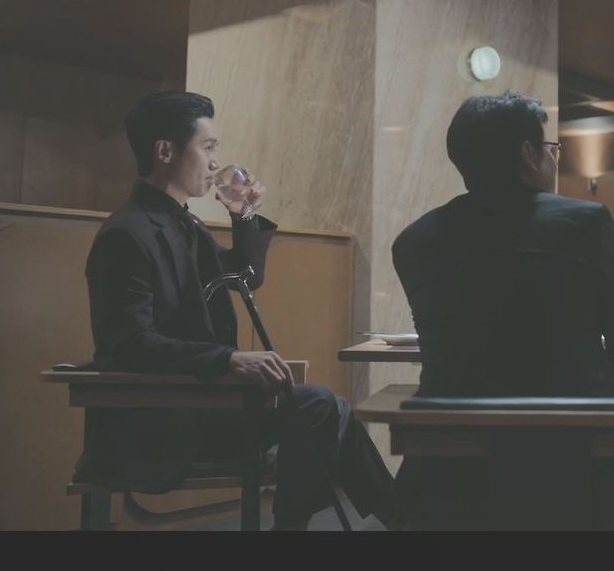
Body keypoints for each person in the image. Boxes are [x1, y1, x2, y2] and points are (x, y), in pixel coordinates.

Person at [80, 90, 396, 531]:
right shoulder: (127, 234)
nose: (215, 162)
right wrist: (229, 359)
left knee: (328, 409)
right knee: (323, 407)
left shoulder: (183, 223)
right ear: (165, 151)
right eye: (207, 147)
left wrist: (243, 216)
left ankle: (391, 520)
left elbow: (241, 277)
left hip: (208, 404)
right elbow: (131, 344)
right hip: (166, 418)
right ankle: (394, 520)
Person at [390, 92, 614, 529]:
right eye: (550, 148)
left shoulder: (413, 242)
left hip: (446, 472)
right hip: (576, 471)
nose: (553, 159)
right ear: (528, 153)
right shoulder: (584, 223)